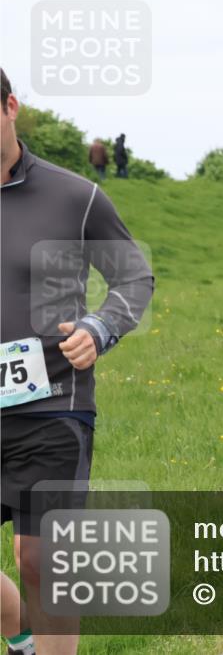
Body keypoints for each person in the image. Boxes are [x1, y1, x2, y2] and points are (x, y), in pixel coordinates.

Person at [1, 68, 154, 654]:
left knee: (40, 558)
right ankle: (23, 639)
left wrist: (99, 327)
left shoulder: (74, 196)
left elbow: (134, 277)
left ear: (10, 107)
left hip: (52, 407)